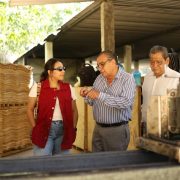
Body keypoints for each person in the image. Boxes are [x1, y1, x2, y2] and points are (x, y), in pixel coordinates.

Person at [80, 50, 136, 152]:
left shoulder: (127, 79)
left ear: (113, 62)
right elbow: (93, 102)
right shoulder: (99, 79)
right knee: (97, 163)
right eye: (98, 66)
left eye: (102, 64)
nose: (100, 68)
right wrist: (87, 96)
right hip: (98, 128)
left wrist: (100, 95)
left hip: (117, 131)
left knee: (115, 164)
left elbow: (125, 102)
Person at [27, 58, 78, 156]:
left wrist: (73, 128)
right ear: (50, 72)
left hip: (64, 131)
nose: (63, 71)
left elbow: (74, 111)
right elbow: (29, 109)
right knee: (43, 164)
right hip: (44, 130)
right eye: (59, 69)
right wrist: (35, 128)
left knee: (61, 164)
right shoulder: (38, 87)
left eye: (63, 68)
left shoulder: (69, 88)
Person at [141, 45, 180, 135]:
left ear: (167, 61)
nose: (155, 66)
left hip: (168, 128)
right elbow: (145, 102)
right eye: (152, 62)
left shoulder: (176, 78)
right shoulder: (147, 77)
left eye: (159, 62)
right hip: (147, 126)